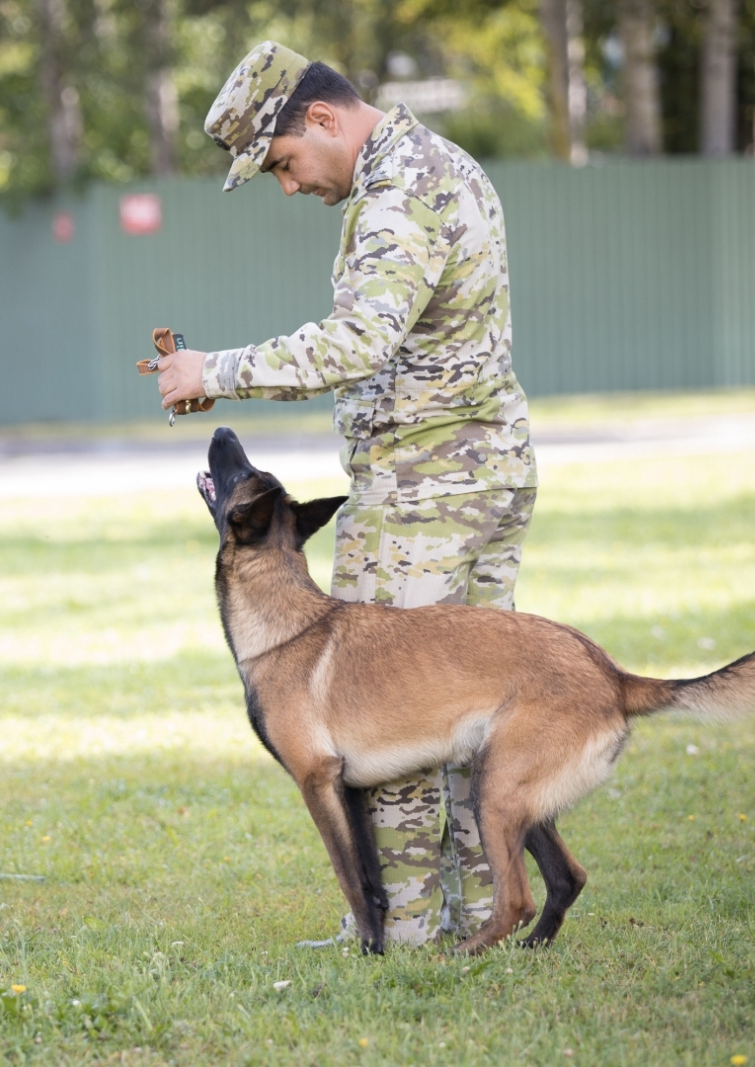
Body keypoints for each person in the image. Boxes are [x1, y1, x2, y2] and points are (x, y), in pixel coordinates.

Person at [154, 41, 538, 948]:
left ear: (322, 119)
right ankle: (486, 916)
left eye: (283, 163)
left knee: (384, 703)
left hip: (421, 490)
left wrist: (220, 368)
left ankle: (402, 927)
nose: (288, 187)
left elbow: (355, 343)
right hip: (488, 470)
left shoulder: (397, 193)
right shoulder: (443, 164)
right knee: (474, 708)